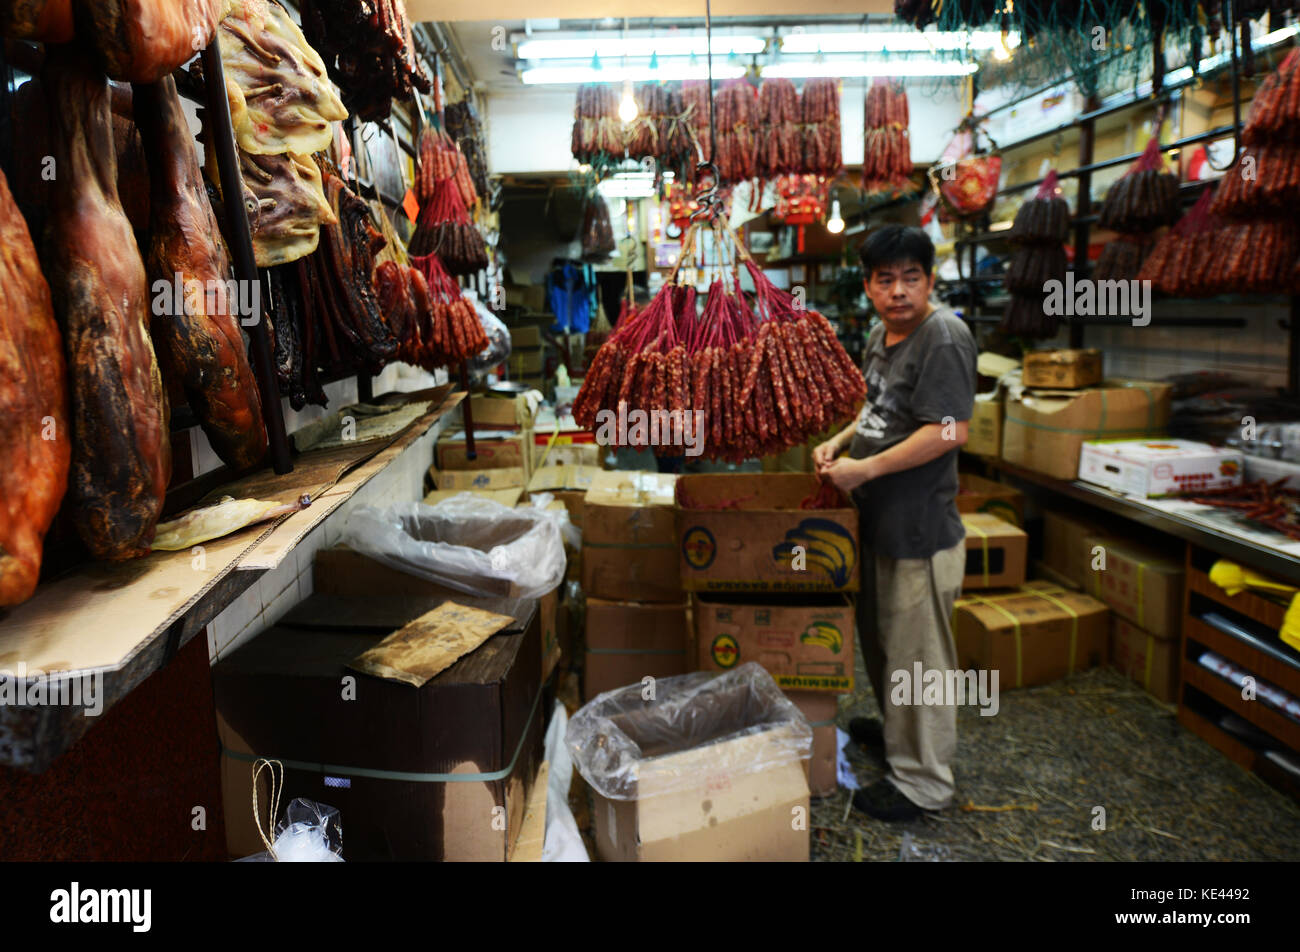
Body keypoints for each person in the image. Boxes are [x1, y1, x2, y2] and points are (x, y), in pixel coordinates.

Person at [814, 224, 977, 822]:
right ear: (868, 287)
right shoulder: (885, 338)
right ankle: (899, 740)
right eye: (887, 280)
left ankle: (925, 784)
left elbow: (950, 430)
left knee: (920, 662)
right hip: (880, 527)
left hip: (920, 533)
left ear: (930, 280)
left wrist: (866, 470)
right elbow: (877, 409)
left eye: (912, 277)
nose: (900, 290)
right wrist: (838, 443)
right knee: (887, 652)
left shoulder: (945, 337)